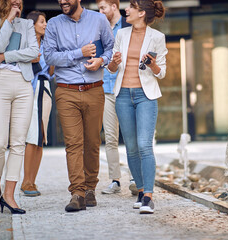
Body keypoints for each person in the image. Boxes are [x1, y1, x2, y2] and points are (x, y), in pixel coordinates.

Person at [43, 0, 114, 212]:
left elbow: (110, 48)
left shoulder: (99, 20)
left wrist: (101, 60)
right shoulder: (54, 24)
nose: (63, 1)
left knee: (92, 142)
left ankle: (90, 188)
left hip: (94, 90)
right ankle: (77, 193)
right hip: (66, 91)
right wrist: (79, 52)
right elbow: (49, 56)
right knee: (73, 144)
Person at [107, 0, 167, 214]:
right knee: (131, 147)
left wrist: (152, 64)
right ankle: (141, 191)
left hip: (145, 96)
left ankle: (149, 197)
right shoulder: (121, 34)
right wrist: (113, 62)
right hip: (123, 95)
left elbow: (162, 72)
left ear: (141, 13)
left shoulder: (157, 38)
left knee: (144, 145)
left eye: (131, 6)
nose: (127, 9)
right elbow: (113, 69)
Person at [0, 0, 39, 214]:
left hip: (24, 85)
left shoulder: (27, 24)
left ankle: (9, 195)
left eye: (20, 1)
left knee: (18, 144)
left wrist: (6, 56)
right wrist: (9, 20)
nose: (18, 2)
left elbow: (33, 52)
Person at [96, 0, 138, 196]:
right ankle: (115, 180)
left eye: (103, 7)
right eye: (99, 8)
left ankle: (134, 178)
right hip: (105, 89)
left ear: (114, 6)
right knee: (111, 138)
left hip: (125, 87)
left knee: (131, 137)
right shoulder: (99, 29)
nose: (100, 11)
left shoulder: (130, 25)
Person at [21, 10, 54, 197]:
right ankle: (26, 181)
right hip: (30, 90)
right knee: (32, 135)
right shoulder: (25, 44)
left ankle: (32, 181)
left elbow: (50, 71)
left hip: (45, 88)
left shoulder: (47, 44)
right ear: (32, 24)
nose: (45, 24)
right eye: (42, 21)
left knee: (40, 136)